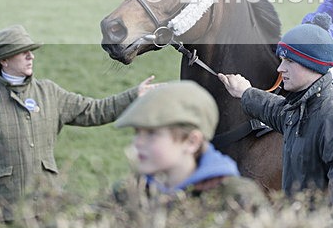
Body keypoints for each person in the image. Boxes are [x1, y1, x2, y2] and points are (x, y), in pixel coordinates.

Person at [0, 25, 154, 220]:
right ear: (4, 60)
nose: (31, 56)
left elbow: (94, 110)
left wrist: (134, 95)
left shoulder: (49, 92)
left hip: (46, 208)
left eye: (31, 50)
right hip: (0, 212)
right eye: (23, 52)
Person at [217, 14, 333, 207]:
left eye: (289, 61)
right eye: (281, 60)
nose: (280, 68)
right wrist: (245, 92)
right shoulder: (302, 106)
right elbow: (275, 110)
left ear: (311, 64)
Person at [112, 81, 266, 211]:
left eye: (152, 134)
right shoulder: (127, 194)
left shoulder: (236, 196)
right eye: (137, 132)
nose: (138, 142)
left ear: (192, 142)